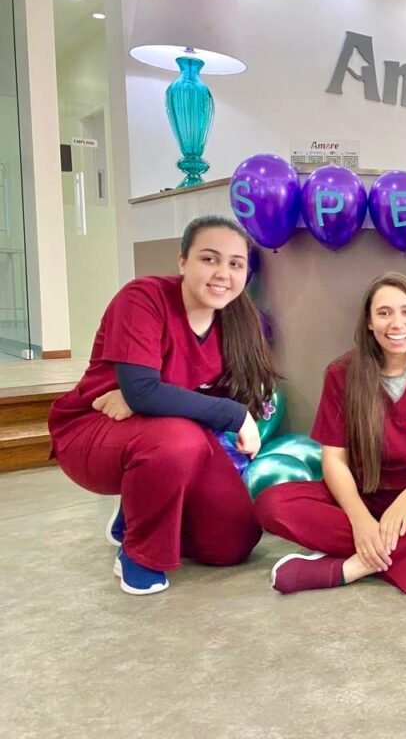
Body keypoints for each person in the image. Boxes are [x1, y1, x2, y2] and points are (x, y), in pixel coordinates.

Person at [48, 215, 276, 595]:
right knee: (178, 439)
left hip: (171, 433)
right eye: (209, 259)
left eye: (235, 264)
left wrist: (149, 398)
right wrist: (231, 415)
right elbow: (143, 391)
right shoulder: (142, 298)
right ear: (183, 262)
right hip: (94, 428)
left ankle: (136, 508)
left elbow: (150, 394)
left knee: (234, 540)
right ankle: (139, 555)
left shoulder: (238, 320)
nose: (223, 273)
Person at [256, 272, 406, 594]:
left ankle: (348, 568)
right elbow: (334, 461)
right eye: (384, 313)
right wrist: (359, 518)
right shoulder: (341, 374)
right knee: (271, 504)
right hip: (360, 496)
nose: (397, 323)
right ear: (369, 322)